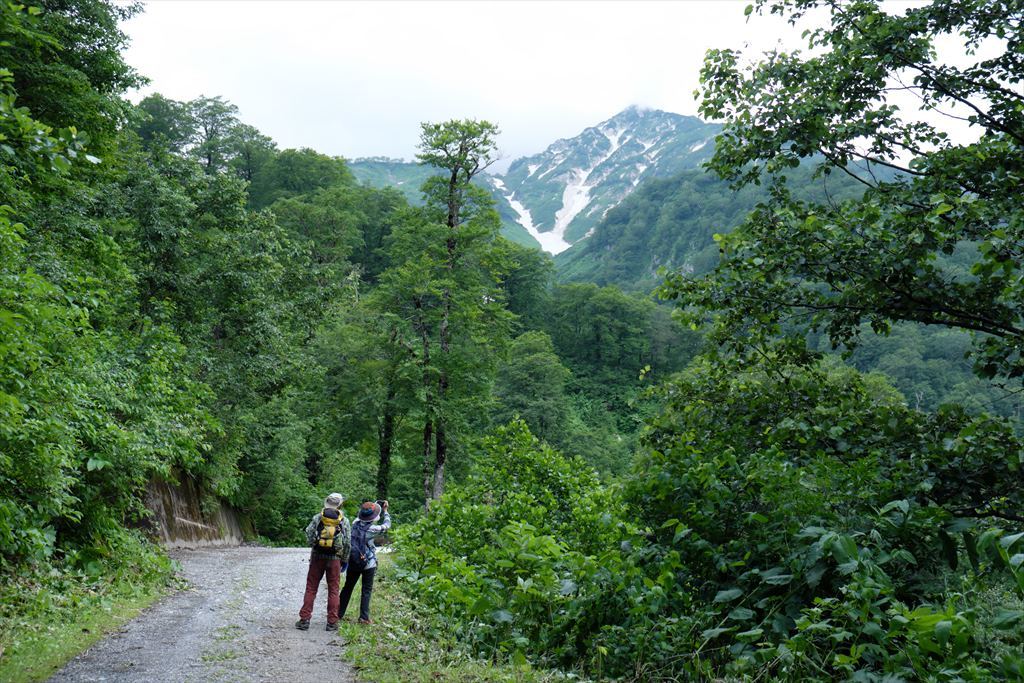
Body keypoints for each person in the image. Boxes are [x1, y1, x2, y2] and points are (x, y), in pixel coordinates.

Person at [296, 492, 351, 631]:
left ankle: (304, 620)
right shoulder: (343, 520)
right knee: (333, 590)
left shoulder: (318, 517)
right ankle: (332, 622)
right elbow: (348, 542)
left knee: (311, 587)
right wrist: (344, 559)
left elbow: (309, 533)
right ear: (340, 504)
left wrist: (314, 546)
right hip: (335, 559)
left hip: (317, 557)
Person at [338, 499, 391, 624]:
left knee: (348, 587)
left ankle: (338, 613)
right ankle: (363, 617)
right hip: (368, 563)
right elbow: (387, 525)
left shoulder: (355, 523)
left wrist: (374, 504)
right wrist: (385, 511)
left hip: (353, 561)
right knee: (366, 590)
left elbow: (366, 513)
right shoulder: (373, 529)